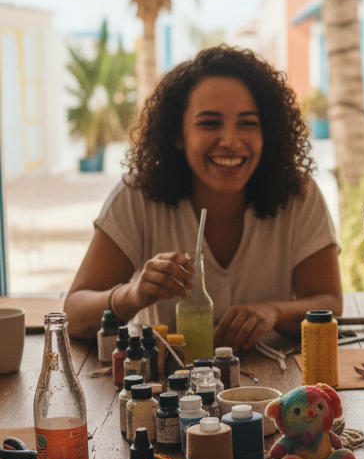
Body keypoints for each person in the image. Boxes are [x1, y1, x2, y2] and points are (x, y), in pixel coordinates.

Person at [64, 46, 342, 351]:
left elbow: (329, 303)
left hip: (275, 387)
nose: (230, 141)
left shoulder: (298, 195)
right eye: (210, 123)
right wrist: (133, 294)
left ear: (268, 133)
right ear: (177, 135)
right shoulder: (138, 195)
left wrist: (272, 311)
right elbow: (73, 313)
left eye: (248, 123)